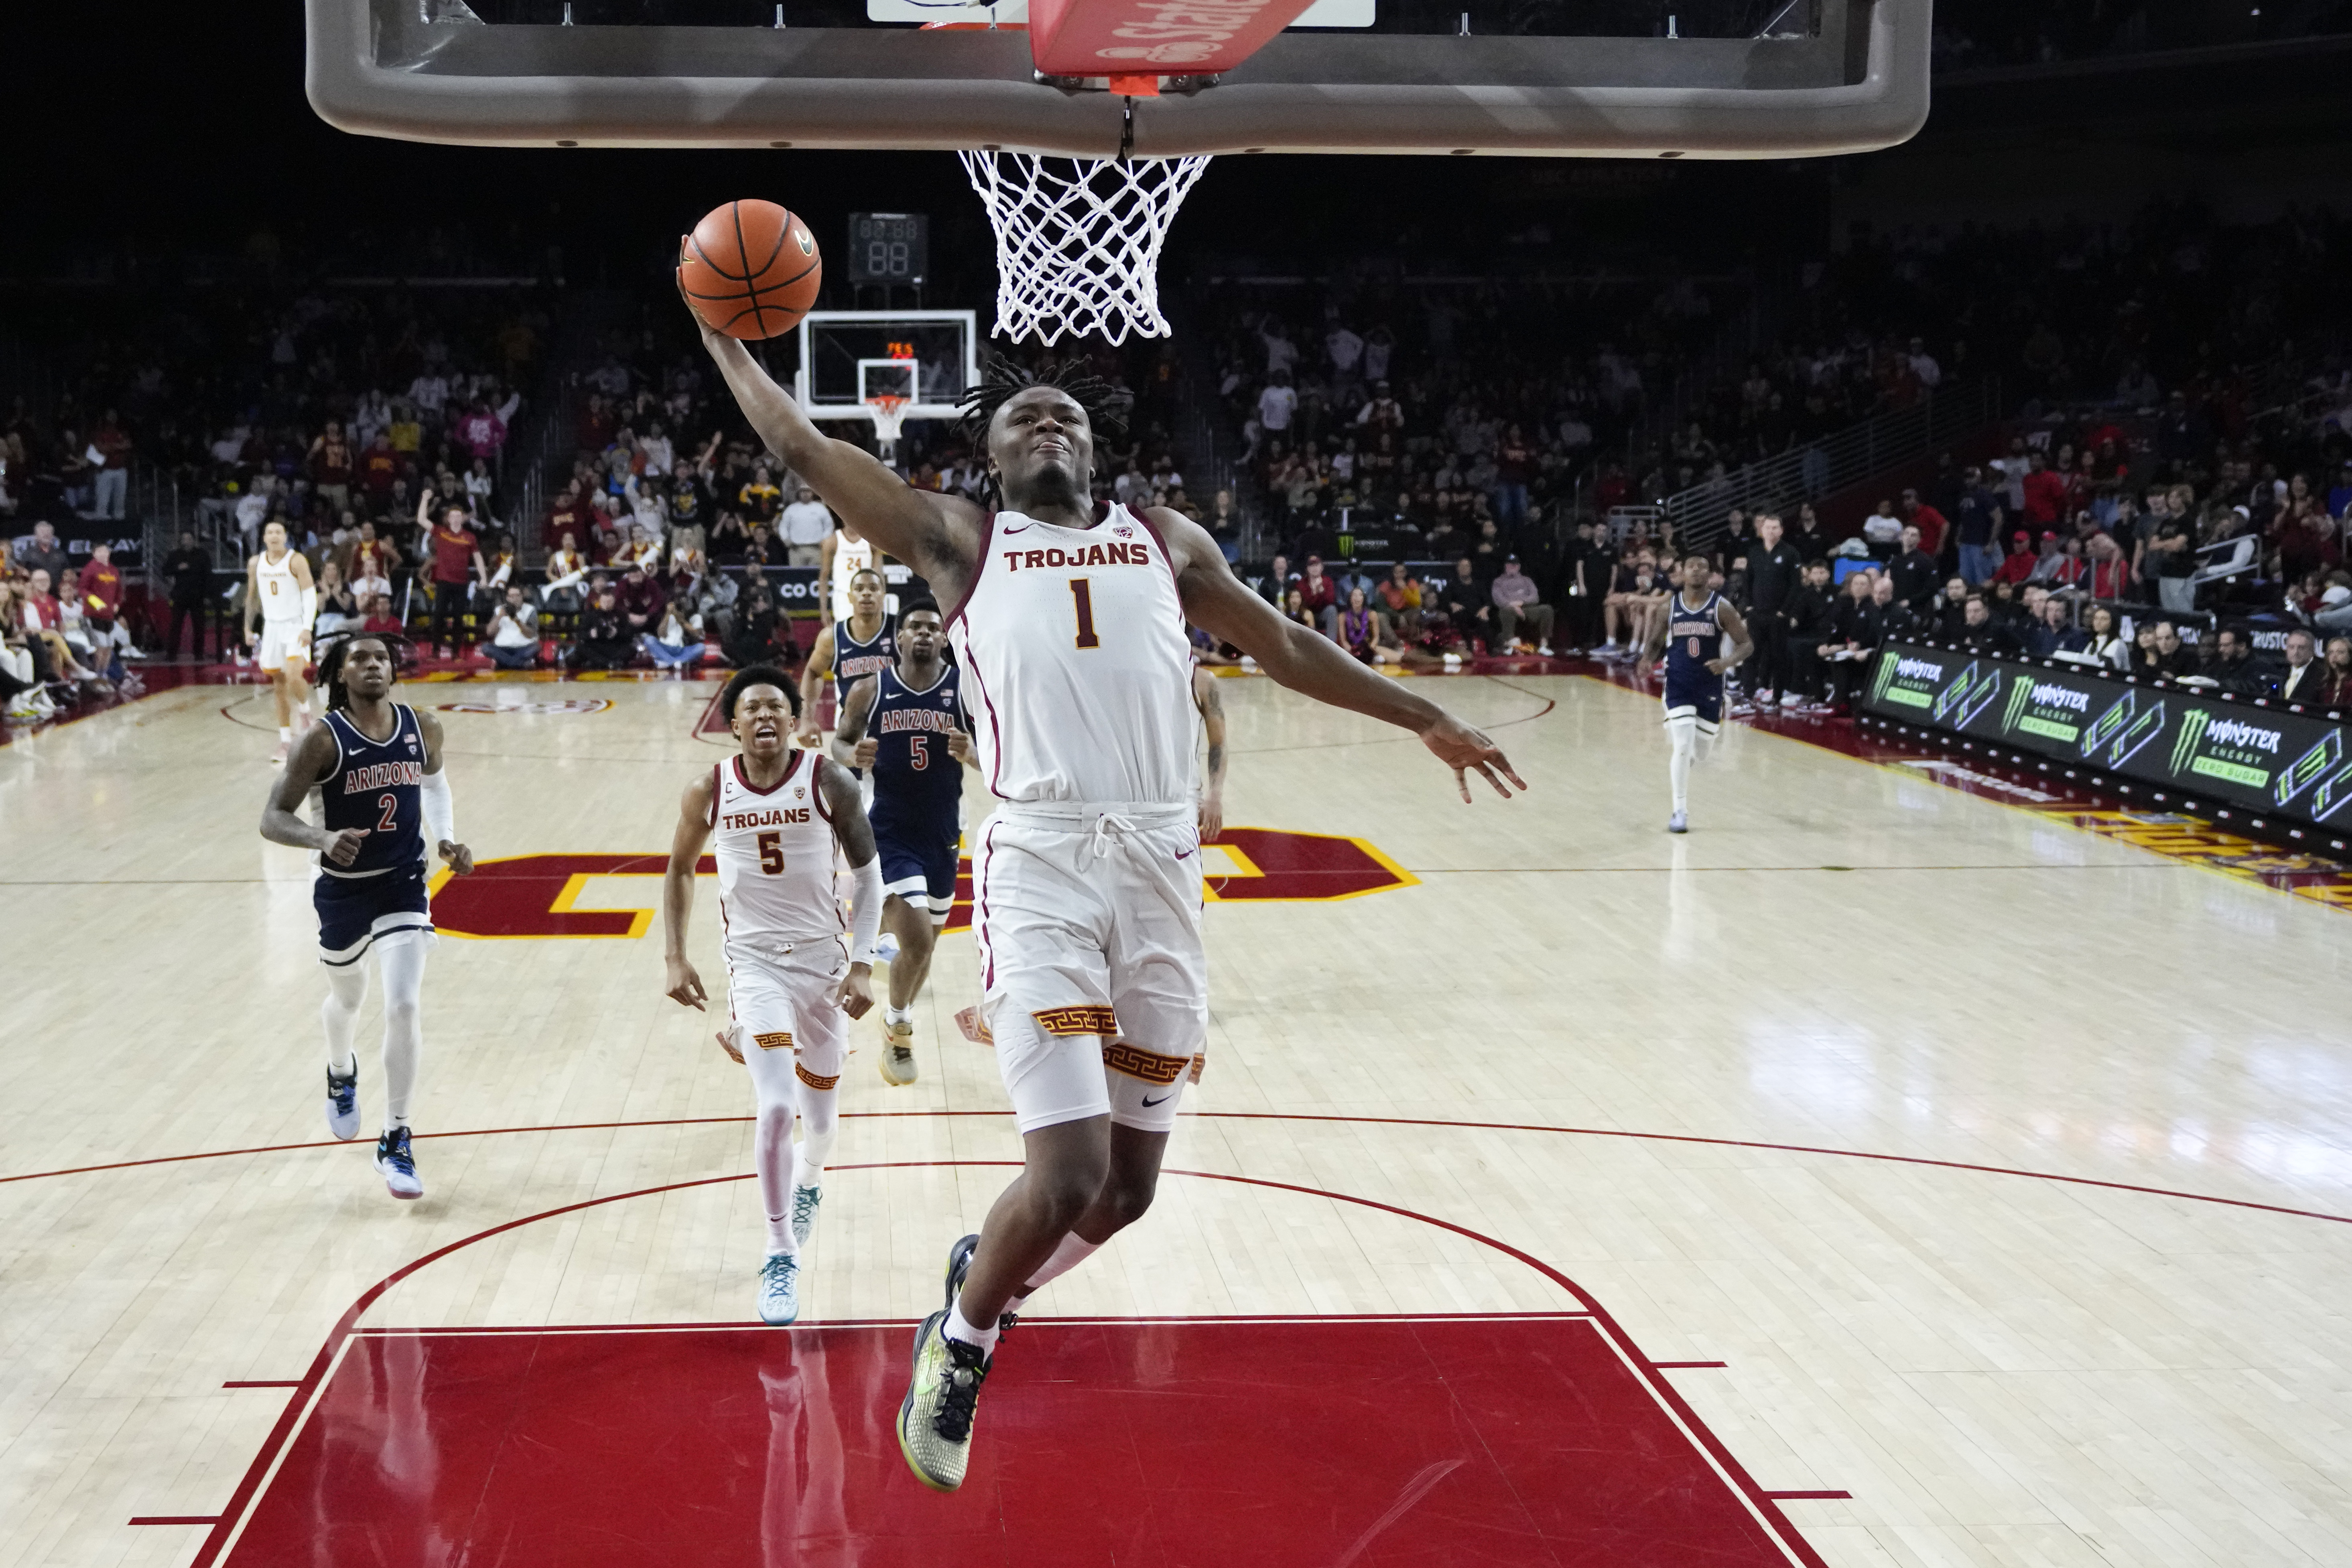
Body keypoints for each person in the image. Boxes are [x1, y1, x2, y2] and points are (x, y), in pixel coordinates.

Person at [690, 308, 1519, 1494]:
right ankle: (963, 1341)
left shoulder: (1163, 539)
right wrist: (724, 341)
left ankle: (990, 1265)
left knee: (1126, 1193)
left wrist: (1423, 714)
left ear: (1093, 448)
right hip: (1043, 869)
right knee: (1069, 1171)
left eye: (1065, 412)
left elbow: (1281, 640)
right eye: (1022, 411)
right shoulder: (956, 542)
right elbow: (807, 454)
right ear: (992, 455)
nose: (1044, 419)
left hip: (1162, 873)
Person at [660, 666, 882, 1326]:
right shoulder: (710, 788)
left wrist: (864, 965)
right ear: (732, 724)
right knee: (777, 1105)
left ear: (794, 720)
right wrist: (674, 955)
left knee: (820, 1121)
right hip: (754, 966)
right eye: (750, 707)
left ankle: (809, 1180)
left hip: (822, 966)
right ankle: (780, 1249)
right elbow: (678, 869)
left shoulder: (828, 780)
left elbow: (870, 880)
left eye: (774, 707)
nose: (763, 716)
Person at [257, 634, 475, 1200]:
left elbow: (435, 784)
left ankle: (396, 1136)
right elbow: (272, 818)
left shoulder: (421, 726)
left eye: (380, 657)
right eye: (359, 658)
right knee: (348, 1000)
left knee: (404, 1004)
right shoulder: (321, 741)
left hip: (403, 881)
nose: (372, 664)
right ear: (340, 672)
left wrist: (446, 839)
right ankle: (339, 1069)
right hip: (342, 890)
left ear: (393, 668)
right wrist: (320, 836)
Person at [831, 600, 971, 1089]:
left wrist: (969, 751)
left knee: (925, 944)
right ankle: (901, 1023)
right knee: (914, 938)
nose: (925, 633)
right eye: (915, 627)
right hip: (888, 829)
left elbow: (994, 754)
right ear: (900, 638)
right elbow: (840, 743)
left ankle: (896, 1021)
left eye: (934, 627)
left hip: (943, 831)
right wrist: (855, 754)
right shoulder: (871, 689)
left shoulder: (965, 689)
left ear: (944, 639)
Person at [1660, 551, 1753, 833]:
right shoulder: (1668, 607)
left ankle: (1685, 764)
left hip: (1710, 687)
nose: (1698, 571)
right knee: (1682, 745)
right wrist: (1644, 659)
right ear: (1682, 572)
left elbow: (1747, 645)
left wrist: (1726, 663)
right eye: (1692, 566)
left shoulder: (1721, 608)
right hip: (1677, 684)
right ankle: (1680, 811)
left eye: (1703, 567)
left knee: (1699, 753)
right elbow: (1653, 643)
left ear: (1711, 574)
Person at [796, 567, 896, 750]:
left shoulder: (900, 631)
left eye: (873, 589)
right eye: (860, 589)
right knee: (850, 779)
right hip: (852, 733)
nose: (866, 593)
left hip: (895, 729)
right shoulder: (831, 637)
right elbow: (813, 672)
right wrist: (807, 720)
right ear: (850, 597)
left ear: (883, 595)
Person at [245, 520, 318, 764]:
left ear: (285, 537)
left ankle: (306, 711)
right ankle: (286, 741)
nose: (274, 536)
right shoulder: (256, 563)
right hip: (272, 629)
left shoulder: (296, 560)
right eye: (270, 532)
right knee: (278, 685)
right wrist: (247, 628)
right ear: (264, 538)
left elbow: (309, 595)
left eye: (279, 532)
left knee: (295, 676)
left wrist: (308, 627)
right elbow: (252, 598)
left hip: (295, 625)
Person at [418, 492, 484, 660]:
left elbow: (477, 557)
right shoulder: (441, 532)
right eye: (452, 515)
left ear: (463, 519)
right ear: (447, 518)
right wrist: (425, 499)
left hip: (461, 583)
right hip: (443, 582)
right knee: (438, 616)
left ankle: (456, 653)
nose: (455, 518)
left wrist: (483, 577)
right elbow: (421, 520)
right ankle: (435, 651)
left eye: (458, 515)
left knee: (458, 618)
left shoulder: (470, 537)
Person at [162, 532, 216, 662]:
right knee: (176, 625)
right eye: (184, 539)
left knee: (199, 626)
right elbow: (165, 571)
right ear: (181, 541)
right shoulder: (175, 555)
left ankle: (199, 654)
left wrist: (207, 594)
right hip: (180, 594)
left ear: (194, 540)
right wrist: (177, 568)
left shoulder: (202, 555)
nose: (186, 541)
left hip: (197, 595)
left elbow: (208, 574)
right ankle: (172, 654)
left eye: (189, 539)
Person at [1489, 556, 1554, 655]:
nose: (1512, 567)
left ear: (1519, 567)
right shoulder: (1498, 582)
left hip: (1528, 609)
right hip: (1509, 609)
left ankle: (1544, 646)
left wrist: (1521, 603)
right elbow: (1498, 600)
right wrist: (1513, 606)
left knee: (1547, 609)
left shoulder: (1527, 580)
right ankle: (1510, 645)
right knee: (1505, 611)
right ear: (1505, 566)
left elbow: (1535, 597)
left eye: (1514, 565)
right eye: (1509, 564)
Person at [481, 585, 540, 669]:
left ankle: (504, 663)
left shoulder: (530, 610)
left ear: (522, 597)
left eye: (518, 596)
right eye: (512, 596)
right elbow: (489, 632)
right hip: (502, 648)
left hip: (523, 647)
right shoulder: (499, 610)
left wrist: (517, 621)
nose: (515, 599)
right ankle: (520, 664)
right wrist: (500, 617)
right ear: (507, 598)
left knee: (536, 648)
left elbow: (531, 634)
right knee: (486, 647)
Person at [780, 484, 834, 569]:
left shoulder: (821, 509)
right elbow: (783, 527)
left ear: (812, 493)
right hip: (796, 550)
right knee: (797, 575)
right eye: (803, 491)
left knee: (815, 575)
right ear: (799, 493)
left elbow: (829, 526)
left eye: (808, 491)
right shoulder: (791, 509)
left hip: (816, 549)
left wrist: (824, 540)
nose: (805, 494)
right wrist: (786, 539)